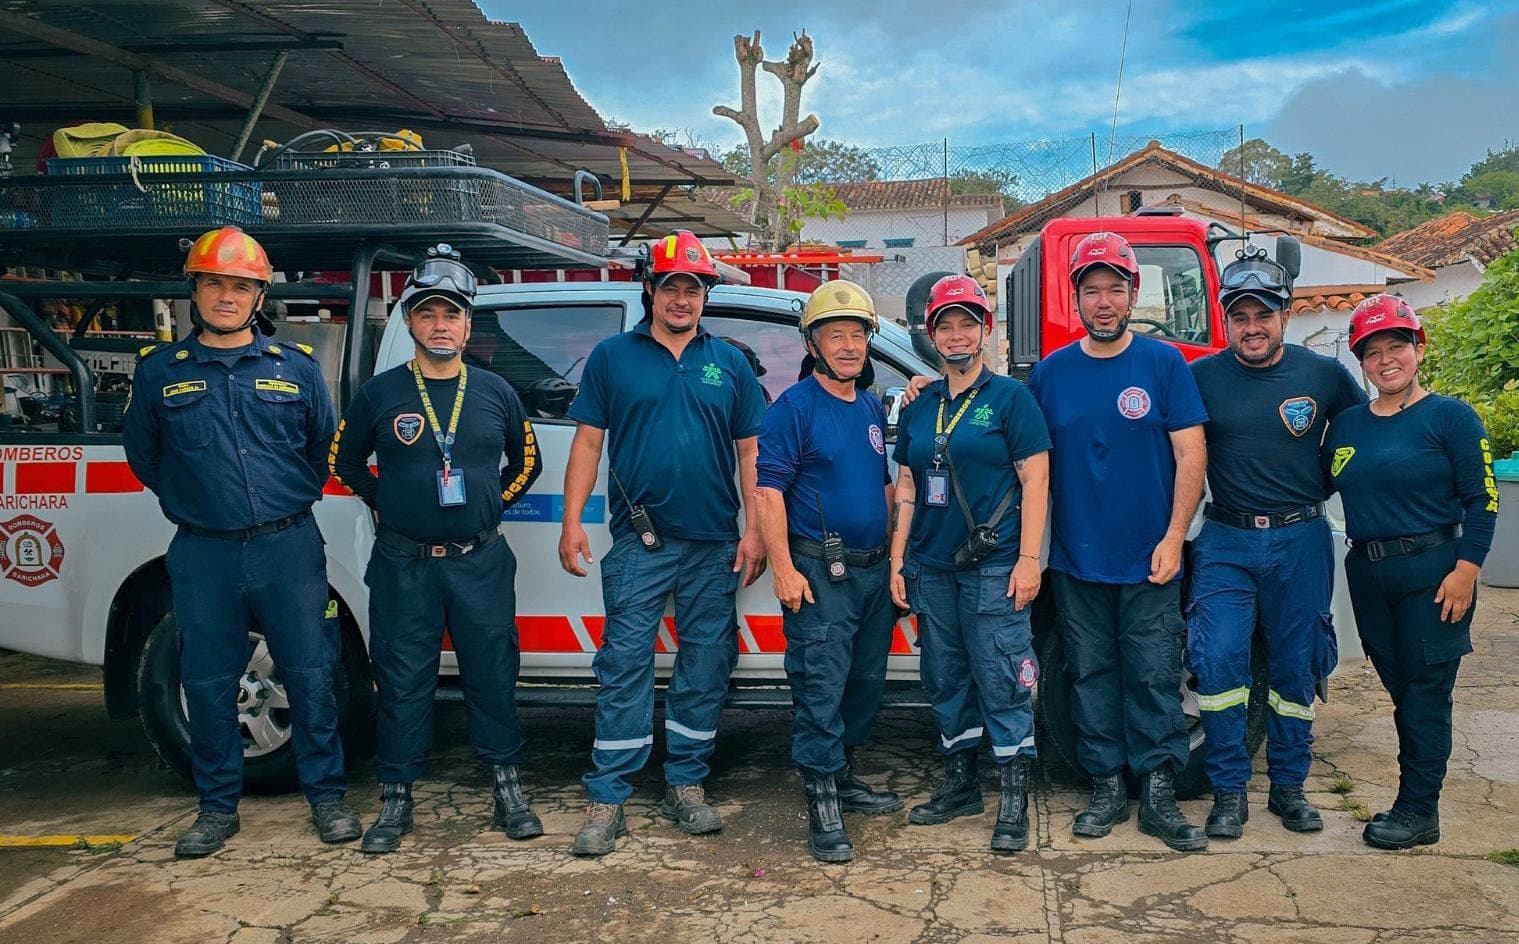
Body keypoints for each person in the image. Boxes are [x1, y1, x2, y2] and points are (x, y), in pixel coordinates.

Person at [123, 226, 360, 858]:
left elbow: (322, 448)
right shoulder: (159, 374)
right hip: (204, 551)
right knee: (207, 681)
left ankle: (328, 798)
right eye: (214, 283)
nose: (227, 296)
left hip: (288, 546)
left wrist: (278, 502)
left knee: (311, 674)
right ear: (193, 292)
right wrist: (204, 503)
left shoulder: (297, 370)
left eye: (241, 286)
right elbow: (145, 457)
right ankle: (217, 807)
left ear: (260, 297)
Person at [558, 230, 768, 856]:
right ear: (651, 290)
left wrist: (754, 527)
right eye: (672, 286)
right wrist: (572, 522)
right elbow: (588, 443)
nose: (683, 298)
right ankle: (608, 795)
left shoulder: (728, 362)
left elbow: (751, 452)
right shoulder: (612, 358)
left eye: (694, 288)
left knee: (705, 664)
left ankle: (687, 783)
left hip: (713, 543)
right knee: (624, 663)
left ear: (706, 295)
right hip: (639, 541)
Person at [329, 245, 544, 854]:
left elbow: (526, 460)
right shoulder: (381, 393)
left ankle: (507, 785)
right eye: (427, 315)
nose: (440, 325)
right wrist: (387, 501)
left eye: (451, 315)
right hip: (403, 563)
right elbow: (342, 462)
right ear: (412, 324)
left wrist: (489, 504)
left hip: (480, 561)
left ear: (468, 324)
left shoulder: (497, 391)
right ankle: (396, 798)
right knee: (401, 678)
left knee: (493, 674)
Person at [1027, 231, 1210, 852]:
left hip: (1151, 557)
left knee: (1155, 673)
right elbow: (1010, 437)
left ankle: (1158, 792)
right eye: (1091, 290)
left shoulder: (1163, 365)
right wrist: (922, 388)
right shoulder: (1052, 374)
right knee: (1090, 673)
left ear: (1133, 294)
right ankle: (1105, 785)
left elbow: (1192, 454)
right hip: (1076, 559)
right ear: (1074, 297)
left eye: (1114, 289)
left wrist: (1174, 537)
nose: (1103, 301)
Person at [1186, 248, 1366, 838]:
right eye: (1240, 316)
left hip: (1301, 539)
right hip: (1226, 539)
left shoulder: (1323, 375)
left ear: (1285, 316)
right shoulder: (1201, 378)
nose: (1252, 327)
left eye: (1263, 314)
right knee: (1216, 661)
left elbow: (1369, 435)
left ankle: (1289, 788)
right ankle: (1229, 791)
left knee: (1296, 669)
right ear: (1226, 321)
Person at [1323, 294, 1499, 850]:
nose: (1385, 360)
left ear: (1417, 348)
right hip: (1369, 577)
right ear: (1361, 363)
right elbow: (1312, 484)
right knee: (1402, 691)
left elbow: (1484, 500)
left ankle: (1419, 810)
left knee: (1426, 694)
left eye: (1396, 345)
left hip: (1434, 575)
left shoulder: (1450, 417)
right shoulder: (1348, 425)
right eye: (1372, 352)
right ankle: (1414, 796)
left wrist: (1467, 570)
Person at [889, 274, 1051, 854]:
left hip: (994, 568)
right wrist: (897, 559)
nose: (957, 335)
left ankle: (1013, 797)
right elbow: (906, 485)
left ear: (985, 330)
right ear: (931, 335)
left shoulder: (1012, 399)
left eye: (967, 323)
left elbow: (1037, 483)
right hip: (931, 568)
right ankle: (960, 783)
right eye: (945, 325)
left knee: (1004, 679)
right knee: (945, 678)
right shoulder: (920, 403)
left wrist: (1029, 560)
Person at [755, 279, 901, 863]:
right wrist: (785, 571)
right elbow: (768, 495)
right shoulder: (793, 409)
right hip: (821, 572)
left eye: (856, 335)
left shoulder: (867, 405)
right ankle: (821, 799)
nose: (848, 346)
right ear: (812, 344)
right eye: (834, 335)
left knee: (864, 685)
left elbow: (886, 487)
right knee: (820, 685)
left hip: (870, 574)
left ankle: (843, 776)